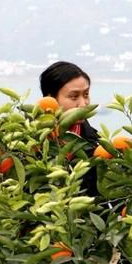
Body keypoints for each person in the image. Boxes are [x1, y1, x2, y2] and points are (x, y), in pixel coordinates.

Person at [39, 61, 99, 194]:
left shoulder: (95, 143)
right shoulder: (32, 142)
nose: (83, 104)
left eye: (86, 95)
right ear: (51, 99)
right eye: (74, 97)